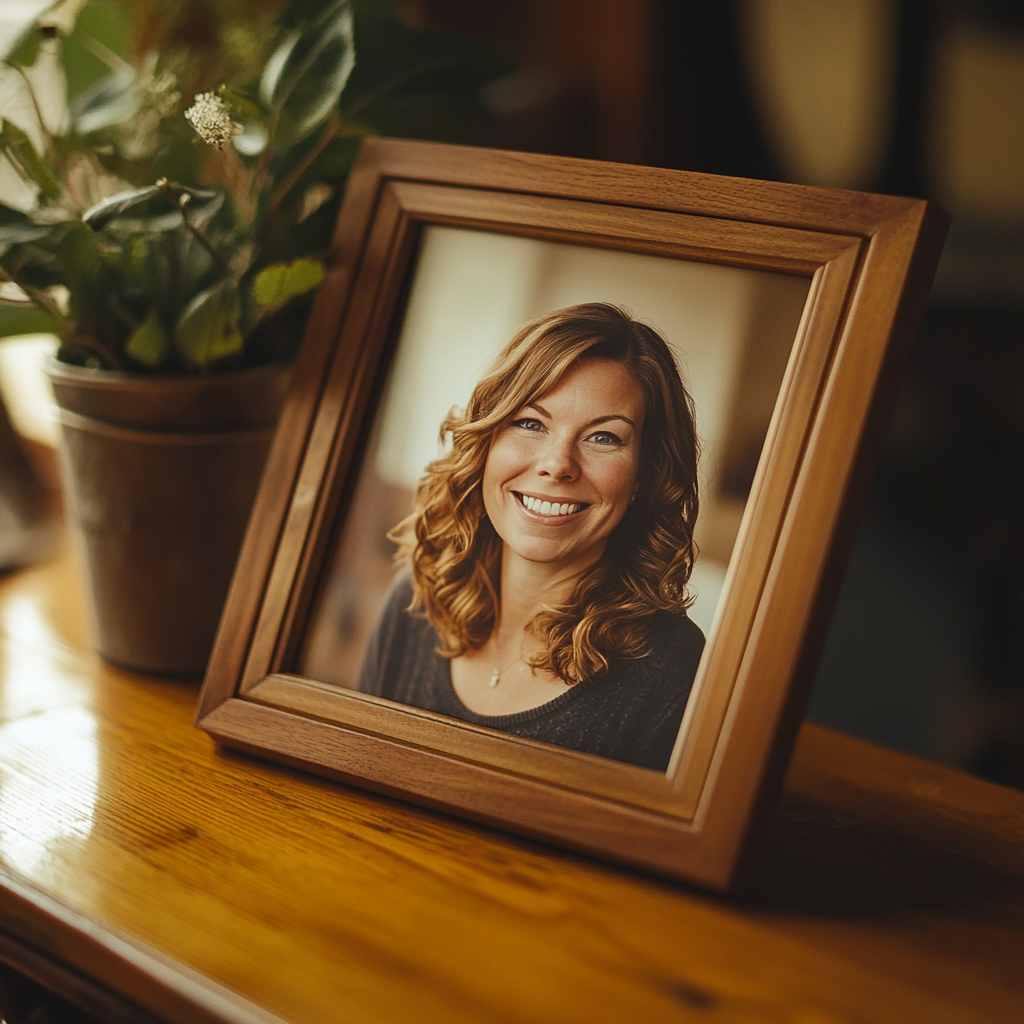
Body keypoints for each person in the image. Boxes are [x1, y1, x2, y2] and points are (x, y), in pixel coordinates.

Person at [357, 302, 705, 771]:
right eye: (529, 423)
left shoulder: (675, 671)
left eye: (603, 437)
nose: (557, 464)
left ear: (645, 471)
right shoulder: (413, 604)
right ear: (486, 443)